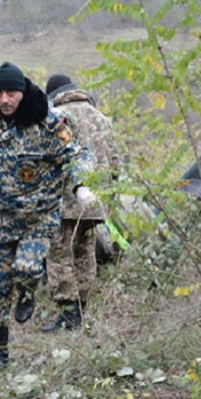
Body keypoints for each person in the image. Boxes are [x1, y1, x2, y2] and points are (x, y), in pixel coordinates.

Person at [0, 62, 97, 371]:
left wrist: (82, 184)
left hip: (38, 216)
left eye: (12, 94)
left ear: (23, 93)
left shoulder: (48, 121)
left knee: (27, 268)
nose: (5, 100)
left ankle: (28, 291)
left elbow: (78, 154)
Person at [41, 74, 118, 332]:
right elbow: (116, 160)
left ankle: (68, 312)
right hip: (96, 198)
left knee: (60, 253)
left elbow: (52, 157)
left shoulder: (58, 116)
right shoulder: (102, 118)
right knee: (85, 251)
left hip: (66, 197)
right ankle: (82, 307)